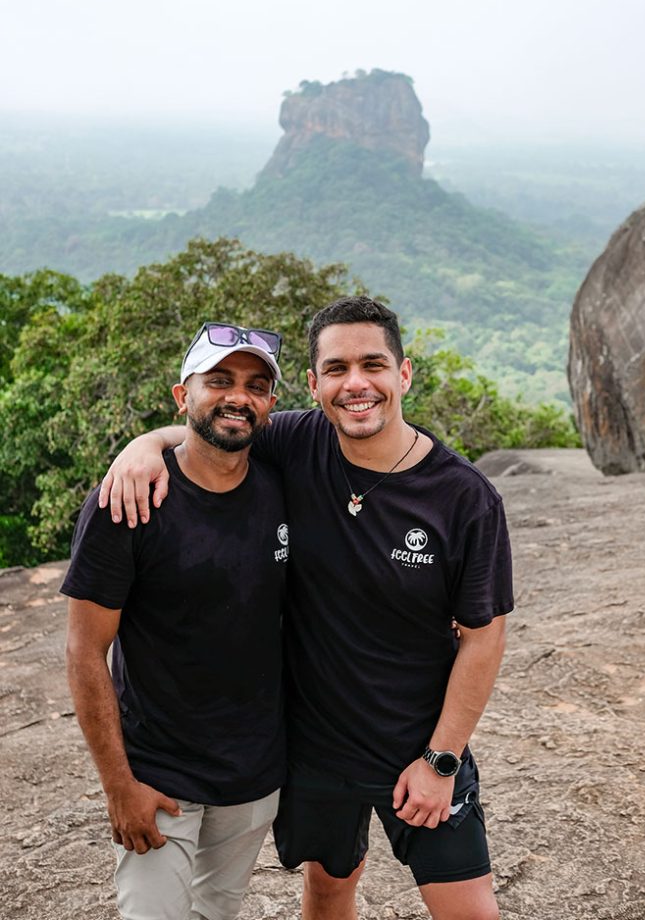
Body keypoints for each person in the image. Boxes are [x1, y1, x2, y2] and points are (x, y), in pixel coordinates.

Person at [100, 297, 513, 920]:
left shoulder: (463, 498)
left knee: (470, 911)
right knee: (327, 892)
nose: (357, 384)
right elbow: (215, 424)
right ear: (315, 385)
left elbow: (484, 636)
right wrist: (141, 446)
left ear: (403, 374)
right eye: (337, 368)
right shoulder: (295, 442)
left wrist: (442, 759)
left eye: (373, 364)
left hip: (417, 744)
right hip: (315, 750)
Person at [62, 323, 289, 920]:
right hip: (159, 779)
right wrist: (118, 785)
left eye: (256, 385)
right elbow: (85, 652)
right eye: (218, 381)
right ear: (181, 395)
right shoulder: (128, 502)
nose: (238, 396)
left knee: (217, 911)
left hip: (255, 776)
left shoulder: (283, 486)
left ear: (270, 404)